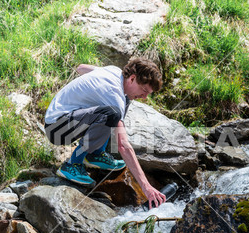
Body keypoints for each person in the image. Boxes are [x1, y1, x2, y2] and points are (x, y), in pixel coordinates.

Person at [44, 58, 166, 209]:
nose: (145, 97)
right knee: (112, 113)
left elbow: (81, 67)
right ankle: (72, 164)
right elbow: (122, 145)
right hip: (57, 129)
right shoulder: (113, 94)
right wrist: (146, 186)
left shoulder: (114, 71)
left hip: (65, 121)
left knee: (122, 103)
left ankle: (95, 154)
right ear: (132, 79)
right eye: (144, 91)